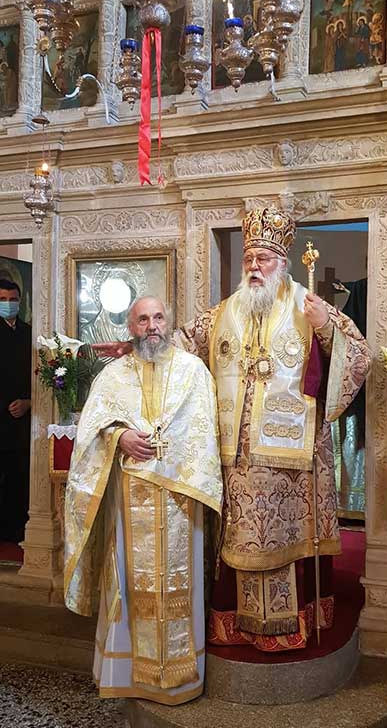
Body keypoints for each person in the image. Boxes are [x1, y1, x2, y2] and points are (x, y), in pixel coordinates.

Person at [94, 207, 371, 654]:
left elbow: (359, 359)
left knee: (286, 540)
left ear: (282, 262)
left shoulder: (309, 306)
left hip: (292, 462)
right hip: (235, 458)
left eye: (264, 259)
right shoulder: (223, 314)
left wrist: (325, 328)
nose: (255, 266)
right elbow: (178, 345)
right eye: (249, 259)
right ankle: (236, 625)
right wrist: (136, 345)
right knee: (239, 540)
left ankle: (291, 623)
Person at [64, 296, 222, 704]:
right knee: (129, 580)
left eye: (158, 318)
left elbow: (205, 434)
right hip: (129, 499)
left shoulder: (193, 371)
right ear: (131, 327)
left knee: (181, 582)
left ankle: (183, 677)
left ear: (168, 322)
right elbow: (92, 430)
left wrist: (175, 462)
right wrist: (120, 437)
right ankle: (127, 675)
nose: (152, 326)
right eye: (142, 319)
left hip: (180, 499)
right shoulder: (113, 375)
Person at [0, 279, 32, 544]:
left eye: (12, 300)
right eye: (3, 300)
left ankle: (15, 533)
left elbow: (37, 377)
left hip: (22, 421)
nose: (8, 304)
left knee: (19, 478)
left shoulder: (29, 333)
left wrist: (29, 402)